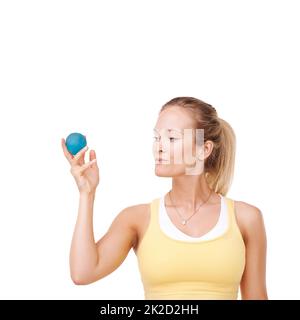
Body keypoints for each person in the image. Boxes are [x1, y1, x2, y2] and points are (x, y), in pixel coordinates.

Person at [61, 96, 268, 300]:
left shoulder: (246, 218)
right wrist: (87, 193)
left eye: (171, 138)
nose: (159, 147)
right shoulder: (137, 219)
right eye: (157, 138)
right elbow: (83, 273)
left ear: (204, 149)